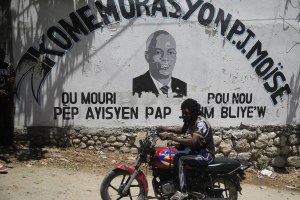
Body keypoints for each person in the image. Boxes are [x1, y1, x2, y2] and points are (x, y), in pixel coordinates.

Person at [160, 98, 215, 200]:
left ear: (193, 112)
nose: (184, 115)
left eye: (186, 113)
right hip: (197, 151)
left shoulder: (201, 123)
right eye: (183, 113)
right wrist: (166, 129)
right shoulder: (190, 120)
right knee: (176, 150)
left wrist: (171, 137)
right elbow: (182, 130)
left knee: (180, 158)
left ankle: (183, 191)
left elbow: (193, 141)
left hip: (206, 155)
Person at [133, 30, 187, 98]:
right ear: (147, 56)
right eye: (158, 52)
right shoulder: (135, 86)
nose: (165, 58)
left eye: (170, 52)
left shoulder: (183, 87)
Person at [0, 48, 15, 147]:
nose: (1, 57)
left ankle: (7, 142)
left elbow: (12, 82)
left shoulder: (8, 67)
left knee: (7, 121)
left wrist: (8, 93)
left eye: (2, 55)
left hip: (6, 99)